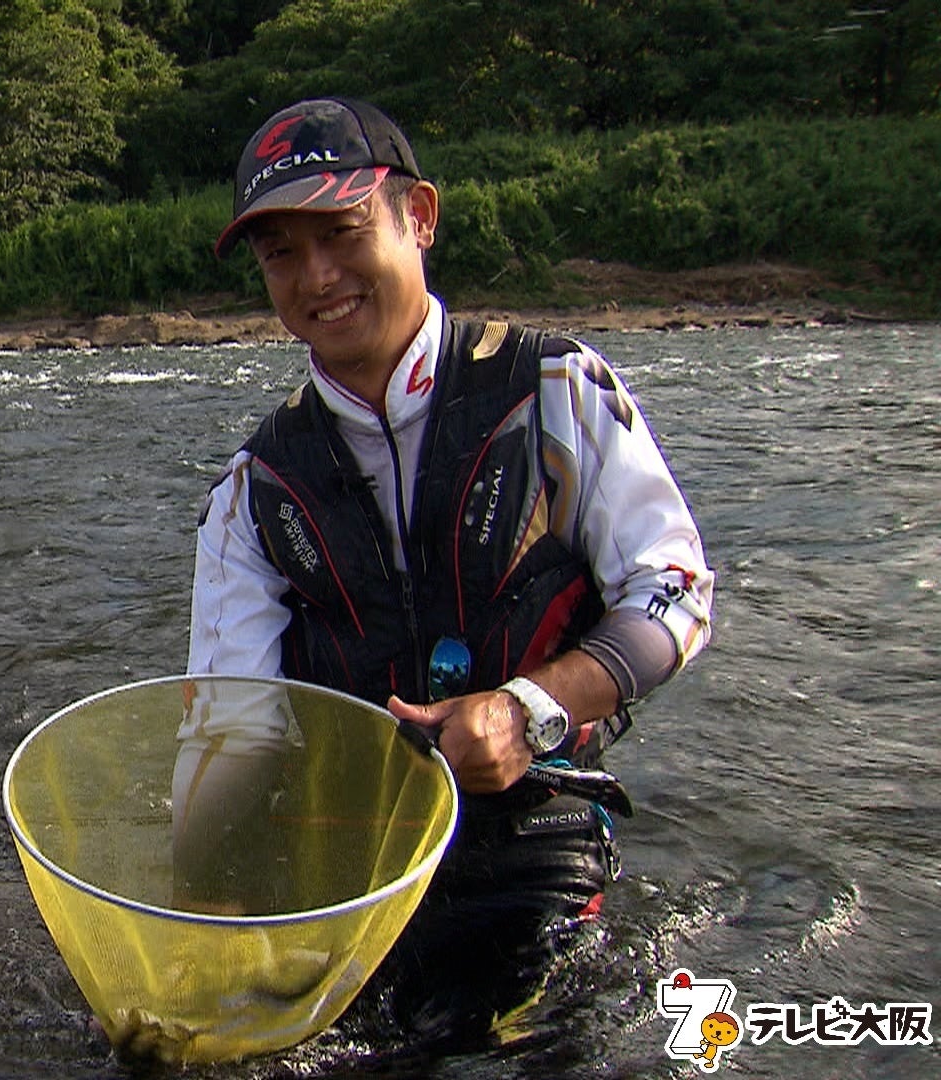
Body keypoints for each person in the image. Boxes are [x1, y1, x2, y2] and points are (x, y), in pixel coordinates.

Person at [185, 98, 714, 1047]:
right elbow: (229, 736)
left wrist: (527, 709)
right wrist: (189, 907)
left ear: (418, 216)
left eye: (342, 233)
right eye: (279, 254)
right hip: (348, 871)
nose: (317, 277)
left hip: (533, 848)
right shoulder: (247, 497)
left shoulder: (559, 389)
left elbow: (674, 594)